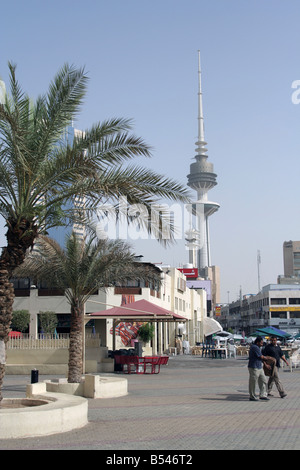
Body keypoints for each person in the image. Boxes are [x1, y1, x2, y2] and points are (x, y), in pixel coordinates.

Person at [248, 336, 270, 401]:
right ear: (257, 342)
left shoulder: (258, 347)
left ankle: (263, 394)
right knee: (253, 382)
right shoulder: (254, 347)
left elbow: (261, 357)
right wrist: (268, 358)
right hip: (254, 367)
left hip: (259, 367)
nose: (262, 344)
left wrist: (265, 364)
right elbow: (261, 356)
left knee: (263, 380)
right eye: (261, 343)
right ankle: (252, 396)